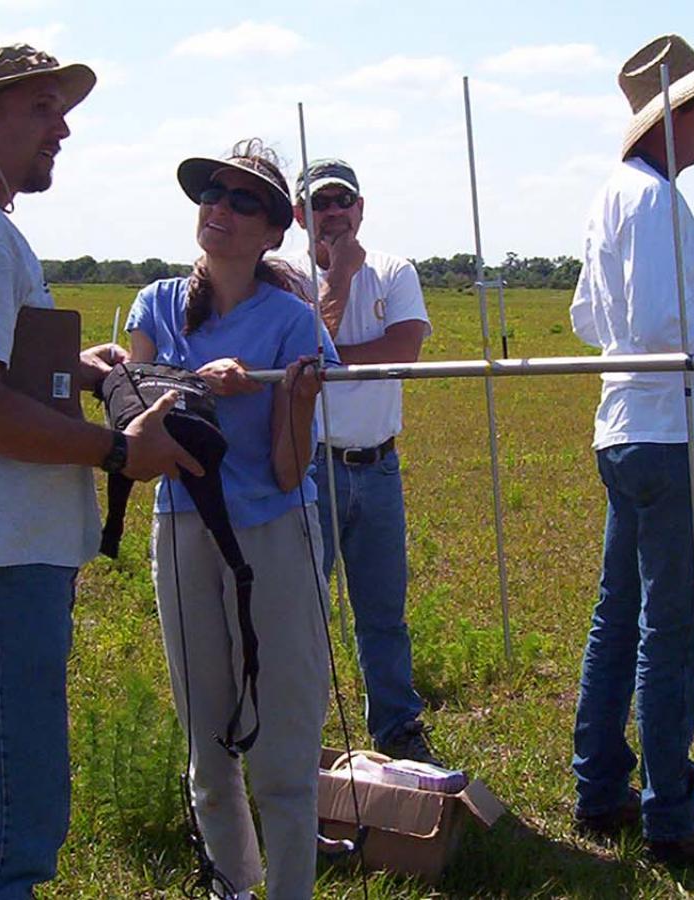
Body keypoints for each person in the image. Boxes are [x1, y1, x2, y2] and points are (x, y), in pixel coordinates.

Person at [0, 44, 198, 898]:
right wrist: (118, 449)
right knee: (8, 833)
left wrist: (84, 373)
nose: (62, 128)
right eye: (41, 110)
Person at [567, 34, 694, 864]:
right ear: (673, 117)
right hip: (671, 432)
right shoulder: (653, 200)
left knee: (622, 619)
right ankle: (673, 815)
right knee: (671, 630)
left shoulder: (615, 196)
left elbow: (588, 319)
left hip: (626, 430)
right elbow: (654, 333)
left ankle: (602, 787)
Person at [126, 139, 336, 900]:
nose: (220, 209)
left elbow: (287, 472)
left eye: (243, 201)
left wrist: (291, 399)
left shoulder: (294, 323)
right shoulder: (155, 303)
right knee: (207, 742)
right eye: (212, 194)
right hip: (182, 528)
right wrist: (180, 382)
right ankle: (230, 887)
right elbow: (131, 392)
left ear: (274, 230)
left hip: (274, 532)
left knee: (282, 745)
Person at [289, 158, 440, 766]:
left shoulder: (396, 270)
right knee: (303, 610)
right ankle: (298, 733)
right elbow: (302, 349)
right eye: (319, 204)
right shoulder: (288, 279)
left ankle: (398, 730)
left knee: (383, 612)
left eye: (341, 202)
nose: (332, 214)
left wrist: (331, 361)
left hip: (378, 469)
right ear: (300, 215)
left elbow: (404, 349)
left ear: (360, 209)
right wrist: (340, 281)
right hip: (312, 467)